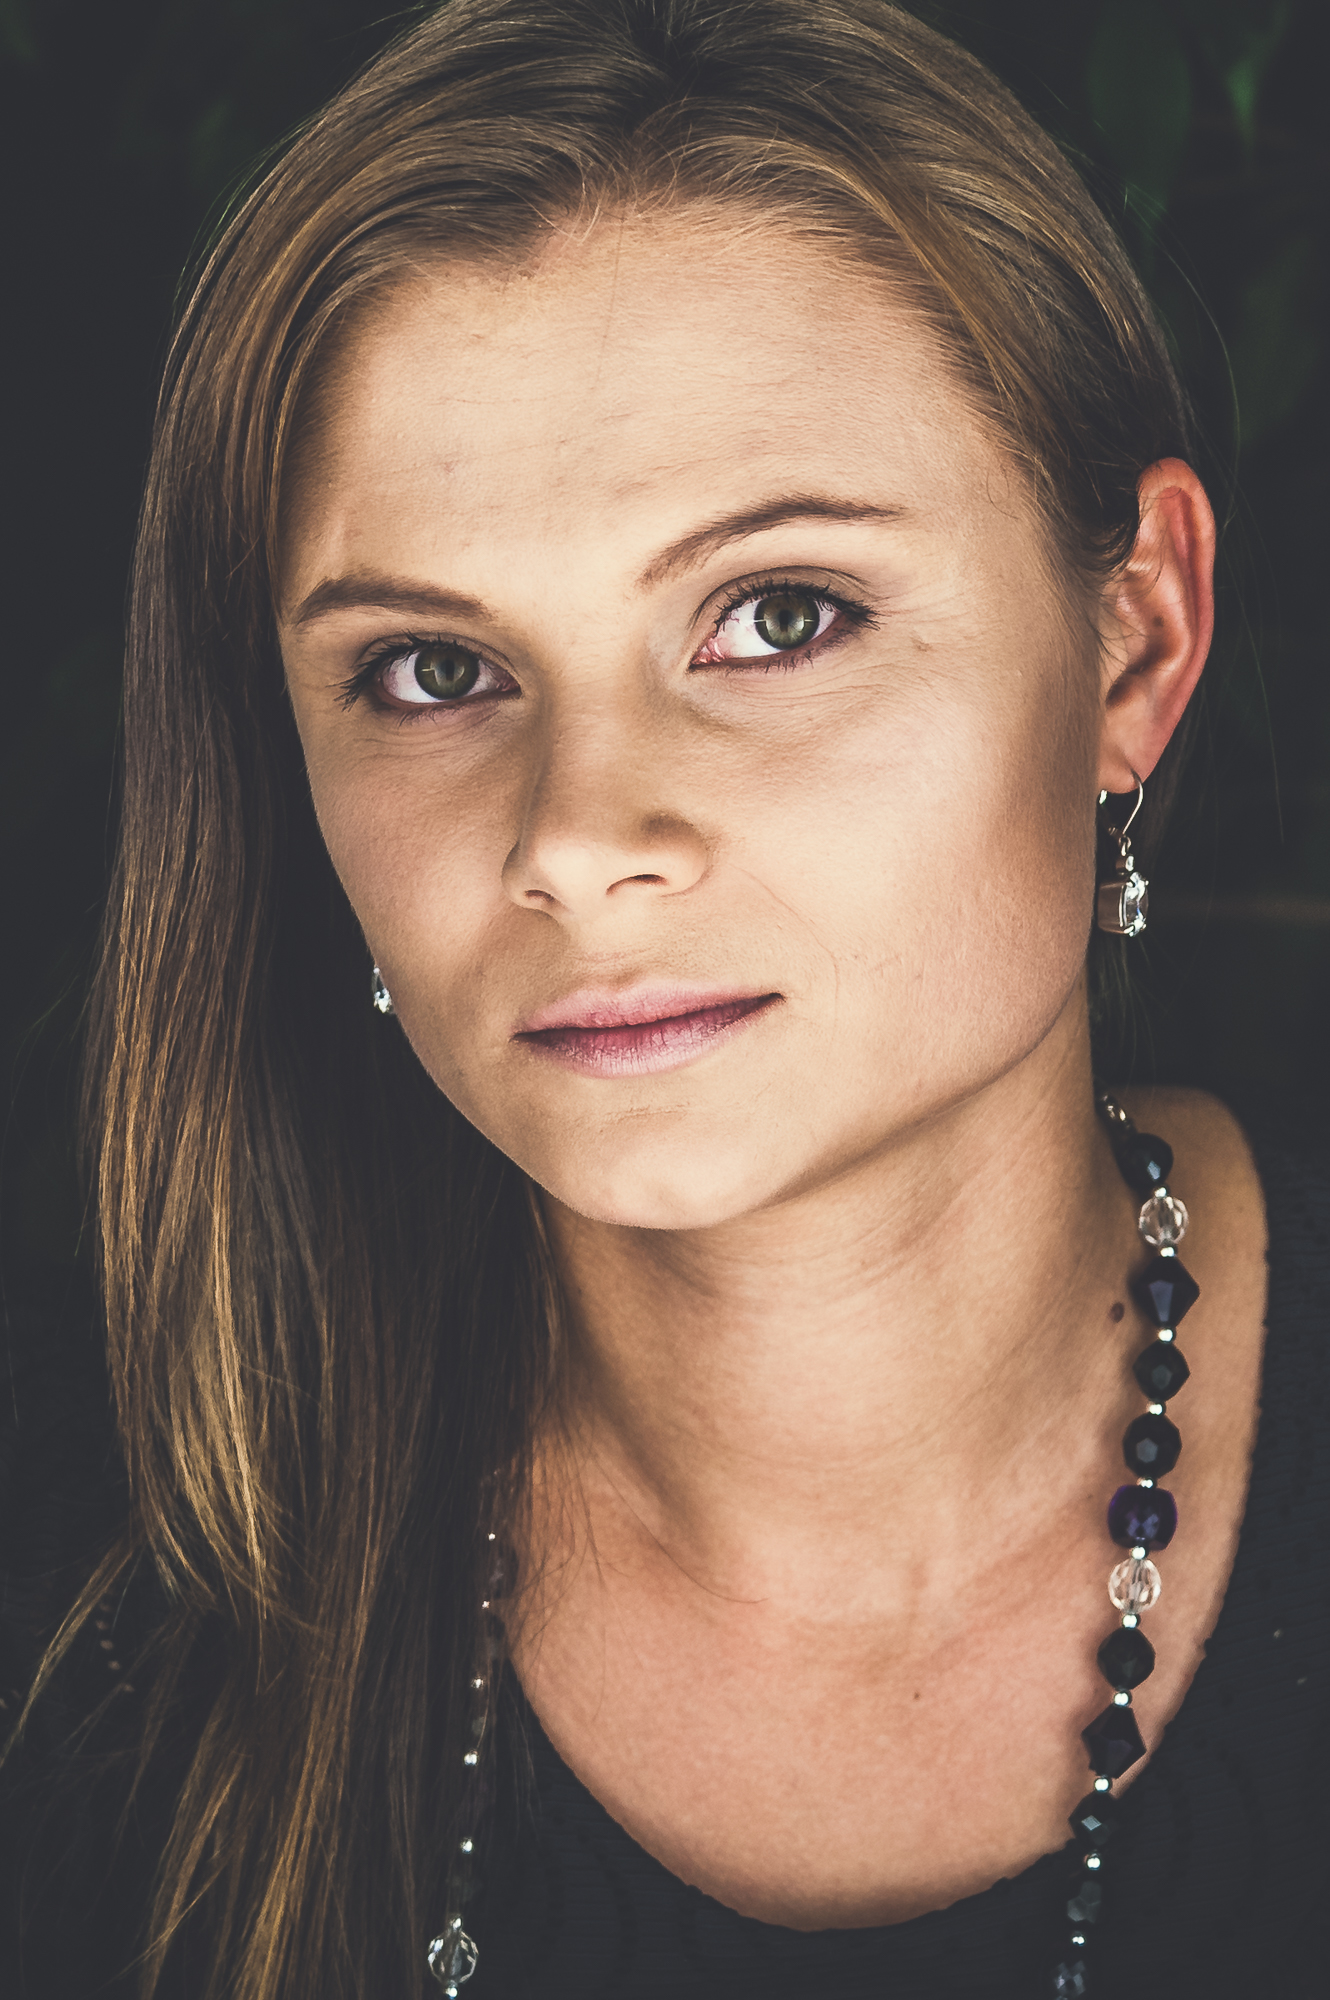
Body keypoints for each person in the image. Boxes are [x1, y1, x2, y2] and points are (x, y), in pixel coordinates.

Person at [1, 3, 1324, 1996]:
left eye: (778, 617)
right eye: (432, 672)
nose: (575, 837)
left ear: (1131, 644)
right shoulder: (83, 1614)